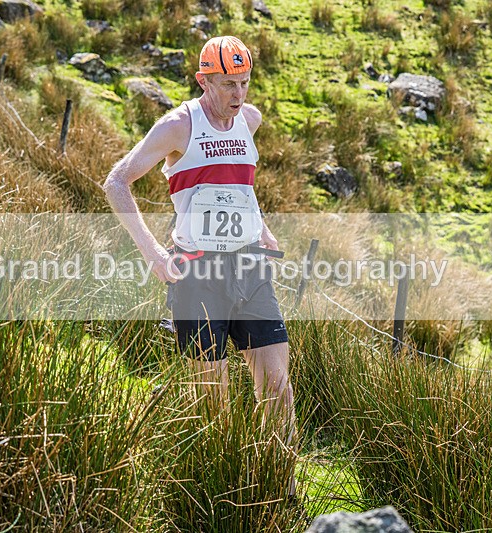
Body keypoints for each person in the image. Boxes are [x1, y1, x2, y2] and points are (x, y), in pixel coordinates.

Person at [103, 36, 298, 498]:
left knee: (277, 385)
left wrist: (261, 226)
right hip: (197, 276)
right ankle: (221, 495)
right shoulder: (177, 127)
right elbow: (116, 182)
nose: (239, 94)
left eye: (245, 82)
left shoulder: (249, 121)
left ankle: (284, 490)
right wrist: (153, 254)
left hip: (250, 268)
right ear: (202, 80)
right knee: (213, 402)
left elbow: (238, 185)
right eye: (228, 83)